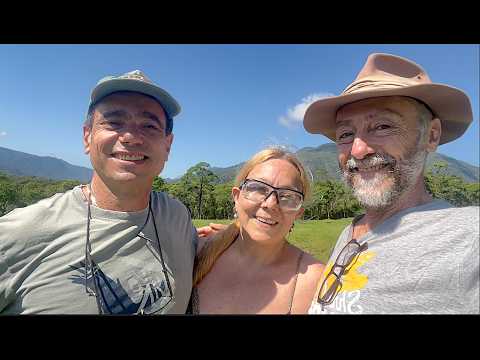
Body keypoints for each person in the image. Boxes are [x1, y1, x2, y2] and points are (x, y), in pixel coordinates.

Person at [0, 70, 197, 314]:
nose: (130, 137)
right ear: (87, 137)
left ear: (168, 145)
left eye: (149, 125)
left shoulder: (177, 217)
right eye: (114, 122)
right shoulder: (19, 233)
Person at [303, 53, 479, 314]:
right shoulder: (350, 231)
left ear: (431, 136)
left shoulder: (470, 237)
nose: (358, 150)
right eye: (346, 134)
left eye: (383, 126)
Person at [187, 147, 325, 314]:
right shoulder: (196, 252)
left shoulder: (316, 279)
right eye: (259, 188)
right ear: (236, 197)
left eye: (287, 196)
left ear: (298, 212)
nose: (270, 204)